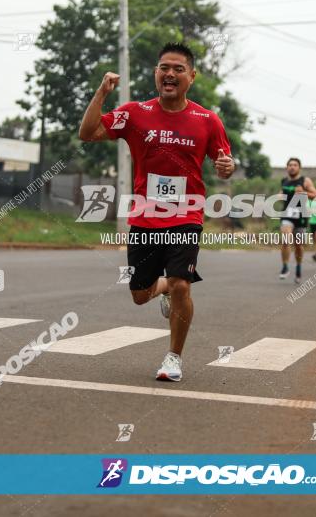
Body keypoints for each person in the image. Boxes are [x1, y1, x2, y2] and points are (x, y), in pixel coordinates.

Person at [78, 42, 235, 382]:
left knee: (182, 284)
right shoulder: (136, 113)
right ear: (156, 73)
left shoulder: (207, 120)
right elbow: (87, 133)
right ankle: (160, 287)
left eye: (179, 69)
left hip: (187, 215)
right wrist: (101, 94)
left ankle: (173, 358)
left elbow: (225, 162)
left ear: (191, 77)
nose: (170, 74)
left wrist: (226, 166)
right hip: (145, 217)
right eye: (164, 67)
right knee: (139, 295)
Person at [279, 158, 316, 283]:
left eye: (295, 165)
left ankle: (298, 267)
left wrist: (303, 192)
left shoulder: (305, 180)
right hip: (287, 214)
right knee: (286, 238)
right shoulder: (284, 181)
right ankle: (285, 267)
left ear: (299, 168)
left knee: (299, 245)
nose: (292, 167)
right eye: (290, 165)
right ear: (287, 167)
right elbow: (282, 193)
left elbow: (315, 195)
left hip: (301, 216)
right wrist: (279, 196)